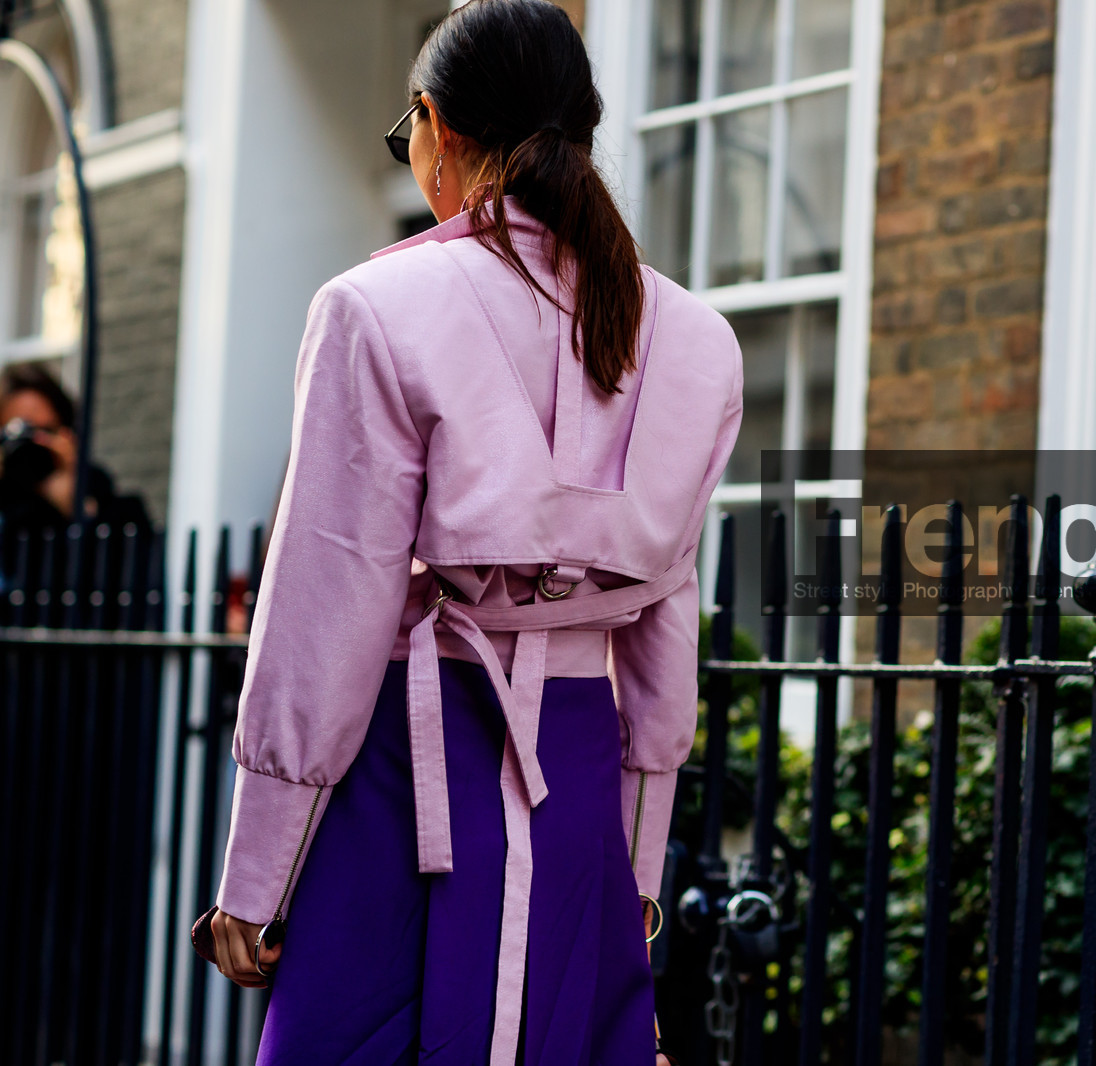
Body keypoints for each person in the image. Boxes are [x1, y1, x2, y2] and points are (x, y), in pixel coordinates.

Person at [203, 2, 743, 1063]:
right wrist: (637, 873)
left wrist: (256, 874)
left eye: (410, 137)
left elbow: (328, 599)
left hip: (411, 769)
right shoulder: (699, 340)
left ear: (436, 125)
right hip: (580, 780)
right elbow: (665, 637)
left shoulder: (375, 304)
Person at [0, 361, 150, 534]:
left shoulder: (105, 499)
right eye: (20, 433)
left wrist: (77, 506)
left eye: (46, 430)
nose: (36, 441)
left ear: (68, 433)